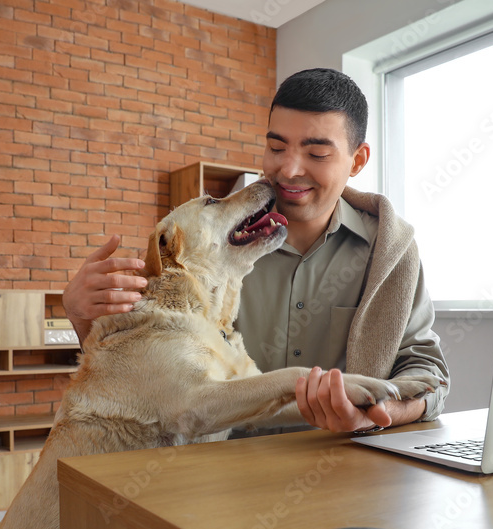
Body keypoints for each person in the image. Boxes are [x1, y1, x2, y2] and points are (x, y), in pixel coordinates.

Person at [63, 68, 449, 434]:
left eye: (316, 154)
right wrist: (82, 318)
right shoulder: (208, 248)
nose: (289, 169)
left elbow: (428, 376)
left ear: (358, 160)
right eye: (276, 147)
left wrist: (375, 417)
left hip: (346, 469)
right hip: (216, 476)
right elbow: (142, 380)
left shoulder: (390, 253)